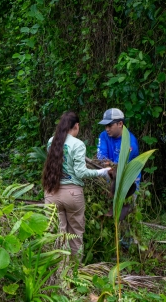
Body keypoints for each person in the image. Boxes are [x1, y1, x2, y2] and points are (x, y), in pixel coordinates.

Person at [42, 111, 110, 260]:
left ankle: (58, 270)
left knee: (57, 235)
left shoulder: (51, 141)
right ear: (76, 126)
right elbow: (80, 172)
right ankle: (75, 271)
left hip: (52, 192)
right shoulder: (78, 144)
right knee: (76, 234)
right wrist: (101, 172)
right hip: (72, 194)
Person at [97, 108, 140, 188]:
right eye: (105, 126)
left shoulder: (130, 142)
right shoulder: (104, 135)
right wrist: (105, 163)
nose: (107, 129)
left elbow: (119, 164)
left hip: (128, 183)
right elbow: (101, 155)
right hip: (109, 178)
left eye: (110, 125)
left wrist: (107, 165)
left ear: (120, 124)